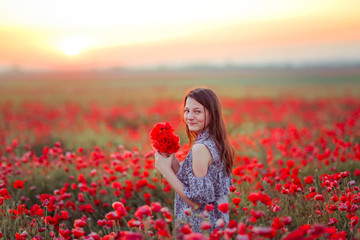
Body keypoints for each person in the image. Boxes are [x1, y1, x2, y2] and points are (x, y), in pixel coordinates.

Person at [154, 87, 234, 234]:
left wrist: (165, 170)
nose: (189, 117)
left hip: (201, 230)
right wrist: (172, 162)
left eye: (197, 111)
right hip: (216, 227)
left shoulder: (201, 148)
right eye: (187, 111)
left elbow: (197, 202)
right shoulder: (214, 140)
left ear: (212, 114)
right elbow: (193, 184)